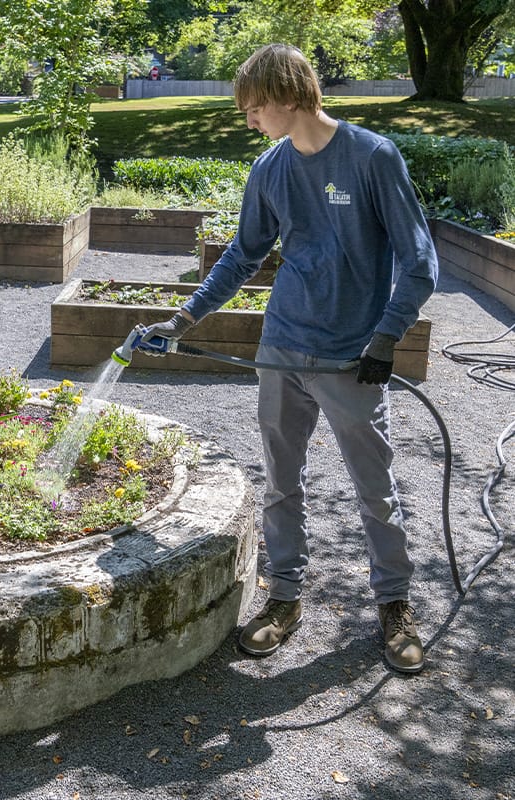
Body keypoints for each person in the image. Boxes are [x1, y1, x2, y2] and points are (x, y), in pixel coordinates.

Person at [142, 43, 438, 673]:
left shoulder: (371, 157)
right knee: (281, 482)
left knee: (374, 487)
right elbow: (241, 256)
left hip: (351, 357)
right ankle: (284, 596)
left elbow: (420, 262)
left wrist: (385, 337)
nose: (249, 120)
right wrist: (185, 317)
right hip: (281, 346)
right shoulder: (270, 168)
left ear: (285, 95)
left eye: (254, 108)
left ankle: (394, 604)